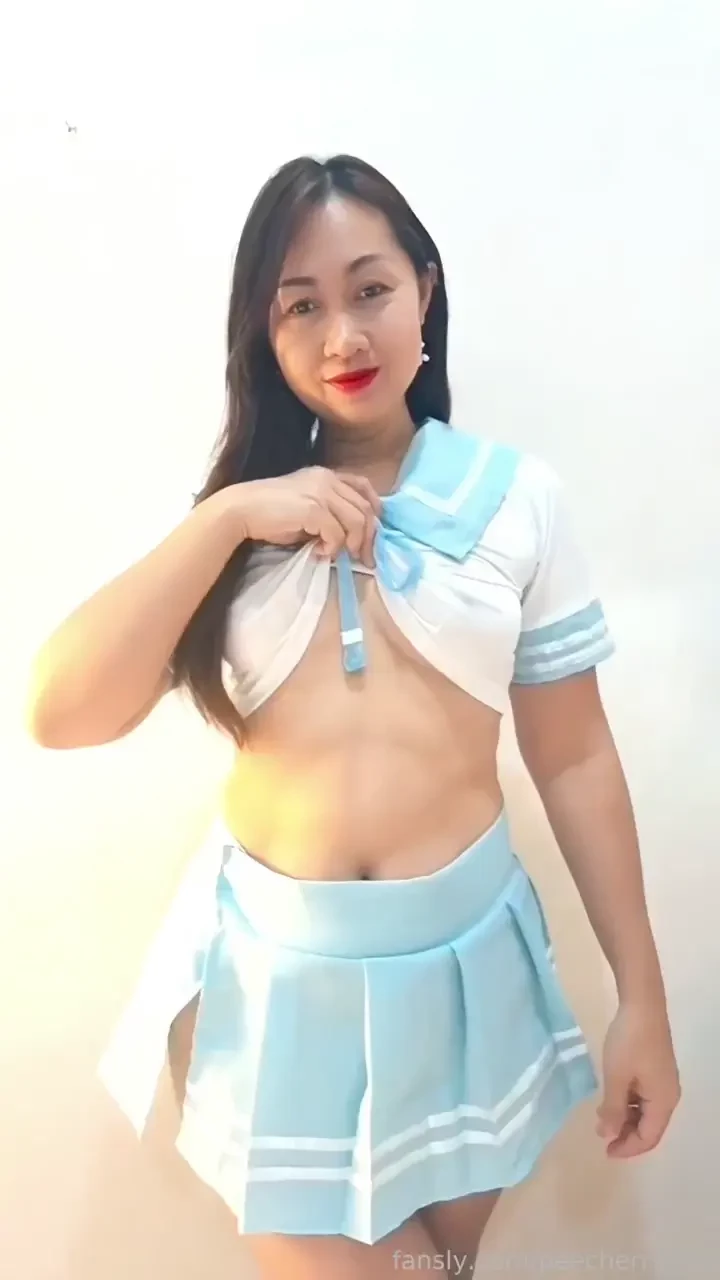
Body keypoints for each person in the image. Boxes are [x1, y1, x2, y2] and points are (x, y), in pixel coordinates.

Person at [27, 154, 680, 1279]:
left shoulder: (515, 501)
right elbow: (61, 711)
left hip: (471, 983)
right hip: (273, 993)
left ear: (426, 289)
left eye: (370, 289)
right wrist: (230, 517)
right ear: (265, 333)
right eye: (301, 306)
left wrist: (644, 1000)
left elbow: (574, 758)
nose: (343, 335)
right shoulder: (236, 522)